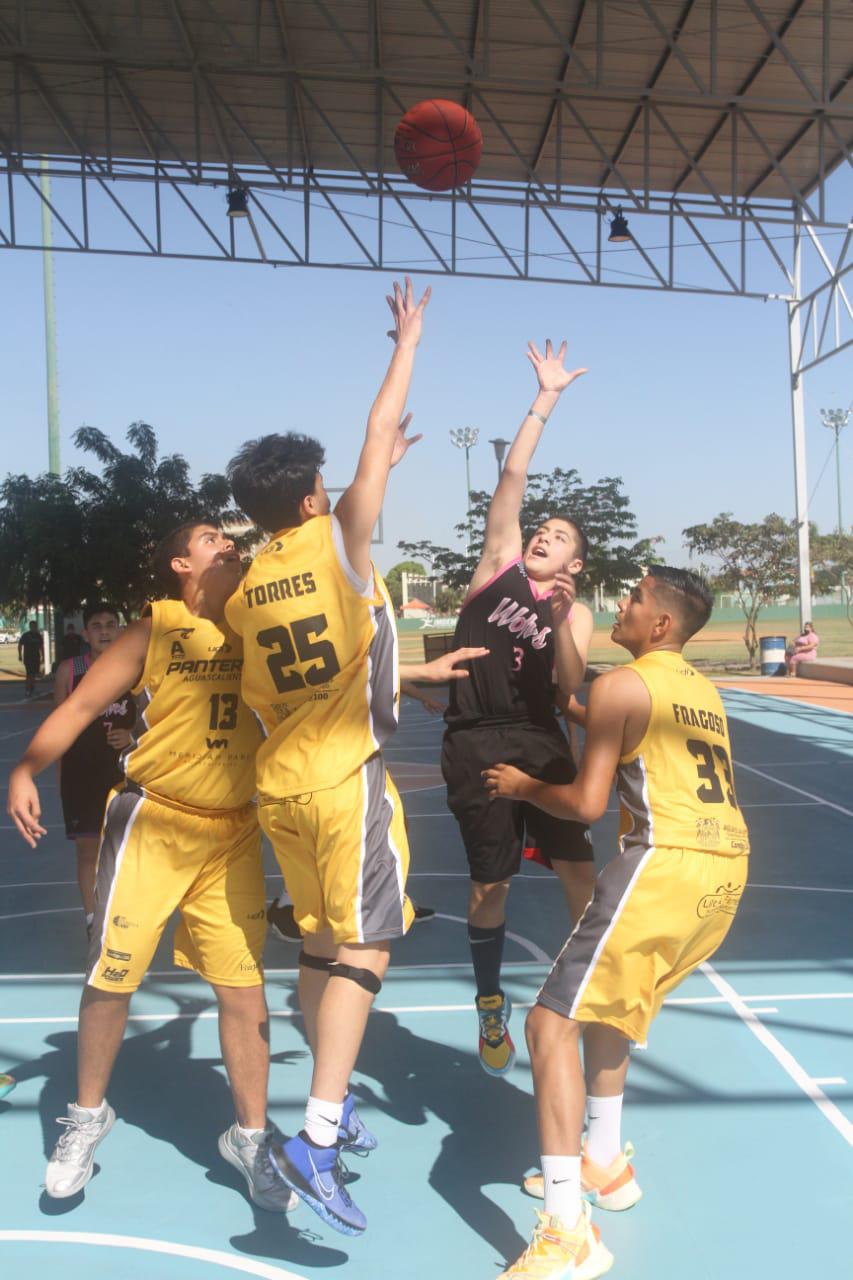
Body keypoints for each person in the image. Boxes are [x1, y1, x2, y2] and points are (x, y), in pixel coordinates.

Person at [226, 277, 439, 1236]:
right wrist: (406, 343)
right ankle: (314, 1131)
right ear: (312, 496)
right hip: (347, 779)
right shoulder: (339, 540)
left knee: (318, 943)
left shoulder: (245, 585)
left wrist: (370, 464)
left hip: (281, 788)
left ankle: (330, 1101)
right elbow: (373, 428)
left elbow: (360, 456)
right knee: (368, 947)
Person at [7, 523, 295, 1215]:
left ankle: (250, 1137)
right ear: (179, 564)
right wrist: (26, 768)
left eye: (229, 536)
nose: (225, 542)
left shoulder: (258, 627)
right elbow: (77, 707)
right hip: (153, 823)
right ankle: (85, 1115)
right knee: (112, 976)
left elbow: (328, 671)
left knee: (243, 988)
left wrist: (414, 672)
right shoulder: (151, 631)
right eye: (207, 537)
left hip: (230, 831)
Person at [483, 567, 750, 1280]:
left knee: (546, 1027)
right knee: (612, 1010)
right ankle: (602, 1160)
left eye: (632, 598)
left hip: (662, 864)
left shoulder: (620, 685)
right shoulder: (695, 688)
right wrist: (570, 706)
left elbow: (586, 804)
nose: (620, 604)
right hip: (723, 870)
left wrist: (521, 785)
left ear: (659, 623)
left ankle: (568, 1233)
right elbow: (623, 720)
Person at [440, 338, 595, 1079]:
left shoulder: (578, 610)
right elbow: (512, 474)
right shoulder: (496, 565)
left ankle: (590, 986)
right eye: (543, 528)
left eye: (559, 536)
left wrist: (563, 621)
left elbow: (570, 685)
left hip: (541, 737)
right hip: (475, 738)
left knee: (576, 872)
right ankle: (489, 1003)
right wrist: (546, 398)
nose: (543, 534)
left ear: (575, 563)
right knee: (489, 885)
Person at [54, 603, 136, 935]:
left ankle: (119, 914)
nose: (104, 630)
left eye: (110, 623)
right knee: (88, 850)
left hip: (123, 774)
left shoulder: (136, 669)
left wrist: (132, 736)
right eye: (97, 625)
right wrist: (60, 777)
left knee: (123, 850)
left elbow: (157, 719)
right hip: (81, 776)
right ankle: (93, 921)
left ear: (119, 629)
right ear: (85, 633)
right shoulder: (69, 671)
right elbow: (58, 725)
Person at [18, 620, 43, 697]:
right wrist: (20, 655)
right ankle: (27, 690)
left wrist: (43, 656)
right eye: (32, 626)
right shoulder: (25, 635)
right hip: (28, 658)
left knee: (34, 675)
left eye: (35, 626)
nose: (33, 628)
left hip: (36, 658)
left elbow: (41, 647)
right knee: (29, 675)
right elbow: (20, 645)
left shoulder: (38, 636)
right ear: (30, 627)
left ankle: (32, 689)